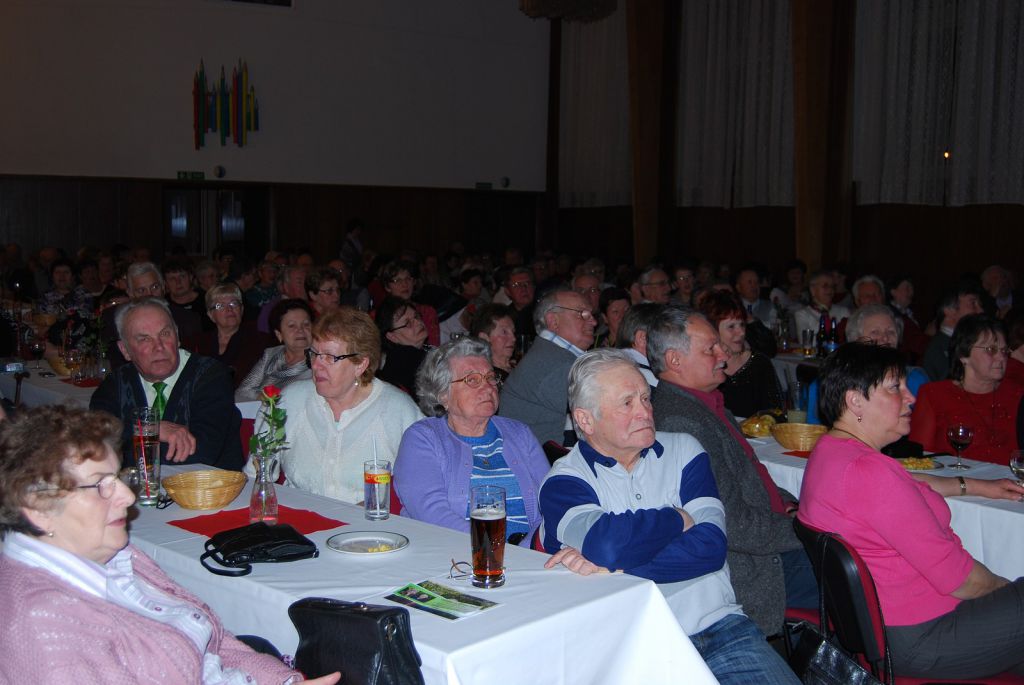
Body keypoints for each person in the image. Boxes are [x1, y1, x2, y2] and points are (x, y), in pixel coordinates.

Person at [0, 405, 340, 684]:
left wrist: (282, 681)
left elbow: (210, 640)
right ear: (38, 507)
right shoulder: (43, 627)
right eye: (100, 485)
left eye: (117, 478)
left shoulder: (116, 556)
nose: (126, 496)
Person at [539, 350, 800, 685]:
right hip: (632, 647)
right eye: (627, 403)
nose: (645, 411)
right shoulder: (563, 482)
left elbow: (710, 548)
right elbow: (607, 544)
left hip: (720, 630)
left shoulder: (684, 449)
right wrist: (677, 518)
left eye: (645, 398)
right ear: (585, 420)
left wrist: (615, 568)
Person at [799, 342, 1024, 679]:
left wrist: (974, 485)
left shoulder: (832, 453)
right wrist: (1010, 596)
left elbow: (906, 481)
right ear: (855, 401)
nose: (911, 397)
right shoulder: (871, 474)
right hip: (925, 636)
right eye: (895, 388)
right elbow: (963, 581)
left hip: (889, 631)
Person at [647, 306, 814, 637]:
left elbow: (751, 478)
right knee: (865, 568)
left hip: (767, 539)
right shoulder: (681, 421)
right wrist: (807, 530)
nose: (724, 354)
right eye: (711, 349)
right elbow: (732, 524)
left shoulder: (702, 404)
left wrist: (789, 504)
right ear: (675, 360)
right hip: (752, 568)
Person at [393, 339, 549, 545]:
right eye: (473, 380)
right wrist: (495, 547)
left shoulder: (520, 433)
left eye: (490, 378)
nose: (488, 387)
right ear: (442, 394)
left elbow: (550, 501)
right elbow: (431, 514)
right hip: (456, 552)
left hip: (527, 551)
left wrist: (530, 546)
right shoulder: (423, 438)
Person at [260, 308, 422, 503]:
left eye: (330, 357)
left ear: (360, 364)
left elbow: (424, 483)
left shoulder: (397, 410)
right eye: (314, 354)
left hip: (368, 519)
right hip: (297, 516)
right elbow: (258, 474)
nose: (316, 365)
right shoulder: (290, 400)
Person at [90, 298, 244, 470]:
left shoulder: (211, 376)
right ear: (125, 350)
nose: (159, 347)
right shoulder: (116, 383)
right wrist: (150, 429)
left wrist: (129, 443)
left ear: (177, 337)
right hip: (135, 485)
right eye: (144, 339)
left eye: (165, 334)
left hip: (208, 484)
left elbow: (201, 453)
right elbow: (95, 440)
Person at [910, 315, 1023, 464]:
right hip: (951, 477)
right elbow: (919, 458)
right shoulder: (934, 395)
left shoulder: (1017, 395)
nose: (1001, 358)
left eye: (1003, 351)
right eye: (991, 350)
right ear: (963, 355)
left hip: (1010, 477)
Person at [500, 288, 597, 446]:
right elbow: (602, 420)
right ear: (553, 321)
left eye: (591, 314)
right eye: (582, 314)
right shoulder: (560, 365)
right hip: (543, 459)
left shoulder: (548, 354)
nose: (593, 321)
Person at [806, 304, 930, 424]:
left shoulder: (914, 380)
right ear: (856, 340)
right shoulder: (829, 383)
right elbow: (814, 430)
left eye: (891, 332)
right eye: (875, 332)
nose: (885, 338)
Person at [699, 290, 783, 418]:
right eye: (731, 327)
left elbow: (776, 413)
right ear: (713, 330)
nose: (741, 332)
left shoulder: (759, 363)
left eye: (742, 324)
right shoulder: (704, 367)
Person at [188, 283, 273, 388]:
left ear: (241, 309)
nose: (229, 309)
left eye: (234, 303)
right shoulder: (196, 344)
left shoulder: (261, 341)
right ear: (210, 315)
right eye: (220, 305)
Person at [235, 299, 313, 401]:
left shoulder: (320, 358)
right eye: (292, 326)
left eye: (306, 324)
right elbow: (241, 393)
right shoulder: (270, 354)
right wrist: (268, 399)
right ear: (279, 334)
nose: (300, 330)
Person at [921, 283, 984, 381]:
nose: (980, 311)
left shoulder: (965, 343)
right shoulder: (938, 349)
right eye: (973, 303)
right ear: (950, 310)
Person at [375, 296, 429, 401]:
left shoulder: (395, 357)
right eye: (408, 323)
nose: (418, 322)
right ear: (391, 336)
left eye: (416, 316)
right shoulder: (409, 360)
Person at [469, 303, 516, 383]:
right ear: (484, 338)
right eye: (504, 332)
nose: (514, 338)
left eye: (513, 332)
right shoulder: (484, 380)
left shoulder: (518, 368)